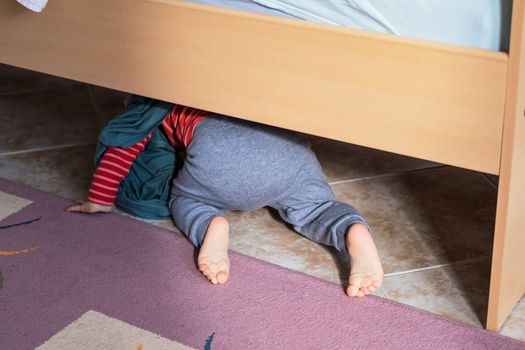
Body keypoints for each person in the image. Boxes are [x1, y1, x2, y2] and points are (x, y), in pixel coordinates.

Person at [67, 103, 384, 297]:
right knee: (316, 208)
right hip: (286, 151)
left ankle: (211, 225)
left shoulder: (157, 102)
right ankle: (349, 230)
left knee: (186, 199)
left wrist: (100, 199)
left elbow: (125, 145)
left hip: (216, 151)